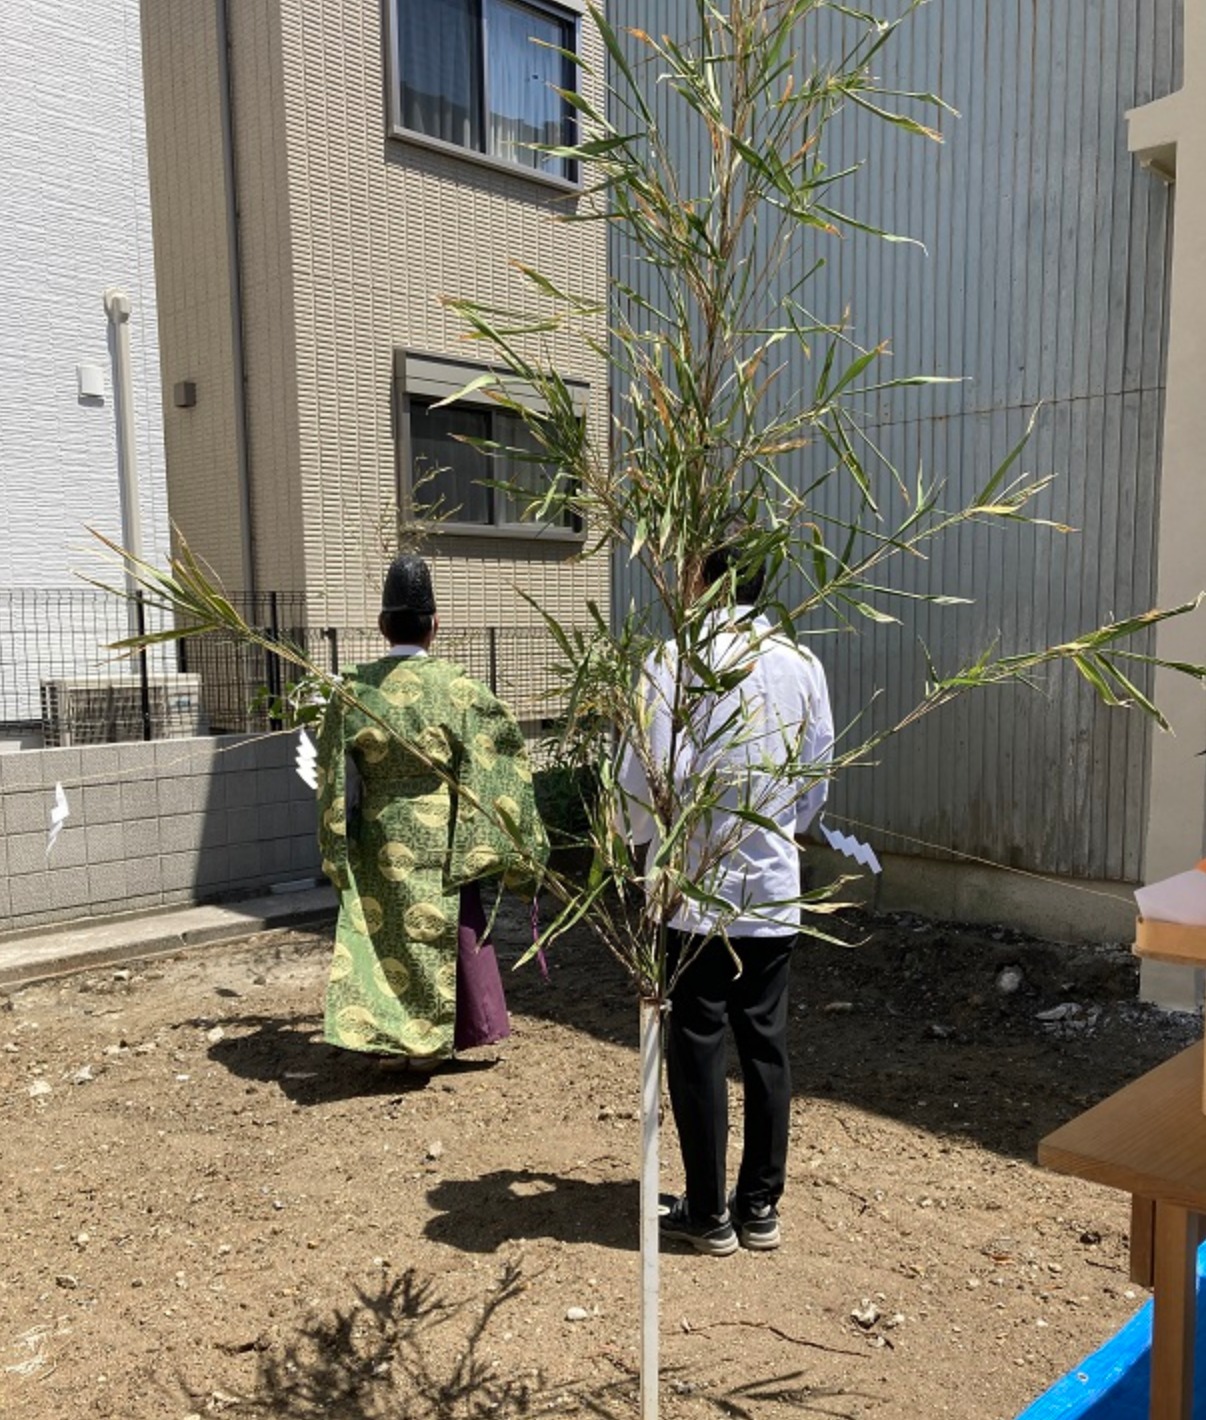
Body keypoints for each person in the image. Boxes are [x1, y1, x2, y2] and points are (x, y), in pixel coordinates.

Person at [618, 532, 834, 1254]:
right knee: (766, 1045)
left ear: (702, 577)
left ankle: (709, 1212)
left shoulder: (676, 661)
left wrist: (647, 848)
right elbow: (816, 776)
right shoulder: (800, 663)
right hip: (770, 887)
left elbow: (645, 772)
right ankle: (761, 1208)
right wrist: (780, 832)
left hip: (695, 890)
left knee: (699, 1043)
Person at [315, 554, 548, 1069]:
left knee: (381, 934)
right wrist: (504, 841)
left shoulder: (352, 690)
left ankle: (390, 1040)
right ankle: (435, 1041)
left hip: (379, 830)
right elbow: (500, 760)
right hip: (441, 831)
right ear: (435, 626)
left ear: (381, 626)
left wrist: (338, 841)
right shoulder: (458, 689)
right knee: (446, 929)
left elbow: (331, 775)